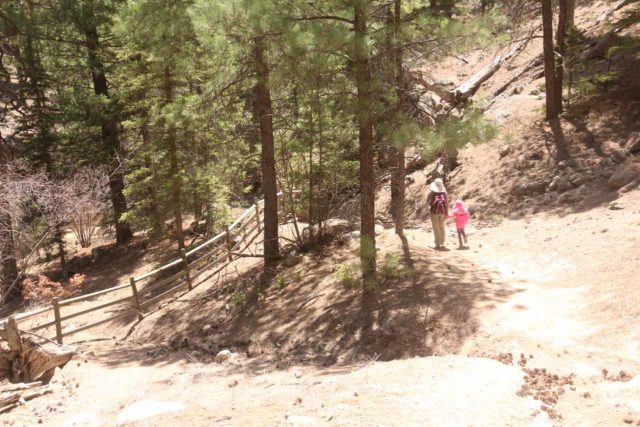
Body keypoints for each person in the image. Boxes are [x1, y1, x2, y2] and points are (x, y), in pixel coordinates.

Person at [427, 178, 448, 249]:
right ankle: (442, 242)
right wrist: (446, 212)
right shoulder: (444, 192)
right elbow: (446, 203)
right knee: (441, 226)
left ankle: (437, 243)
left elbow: (428, 202)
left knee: (436, 227)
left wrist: (428, 208)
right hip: (442, 211)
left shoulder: (431, 192)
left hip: (434, 212)